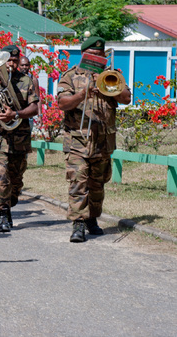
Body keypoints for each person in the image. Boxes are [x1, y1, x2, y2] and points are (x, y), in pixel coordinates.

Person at [57, 36, 131, 242]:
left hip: (103, 142)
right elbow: (62, 103)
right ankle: (78, 224)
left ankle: (92, 219)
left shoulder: (112, 75)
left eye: (101, 55)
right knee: (78, 183)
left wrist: (113, 85)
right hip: (77, 141)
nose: (98, 59)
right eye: (94, 55)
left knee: (98, 185)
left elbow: (126, 99)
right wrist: (83, 94)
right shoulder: (70, 76)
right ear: (84, 54)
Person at [0, 45, 38, 233]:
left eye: (14, 61)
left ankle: (9, 203)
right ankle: (2, 214)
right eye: (8, 61)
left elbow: (34, 108)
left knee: (15, 179)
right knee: (0, 173)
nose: (11, 64)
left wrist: (16, 114)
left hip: (19, 137)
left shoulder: (26, 80)